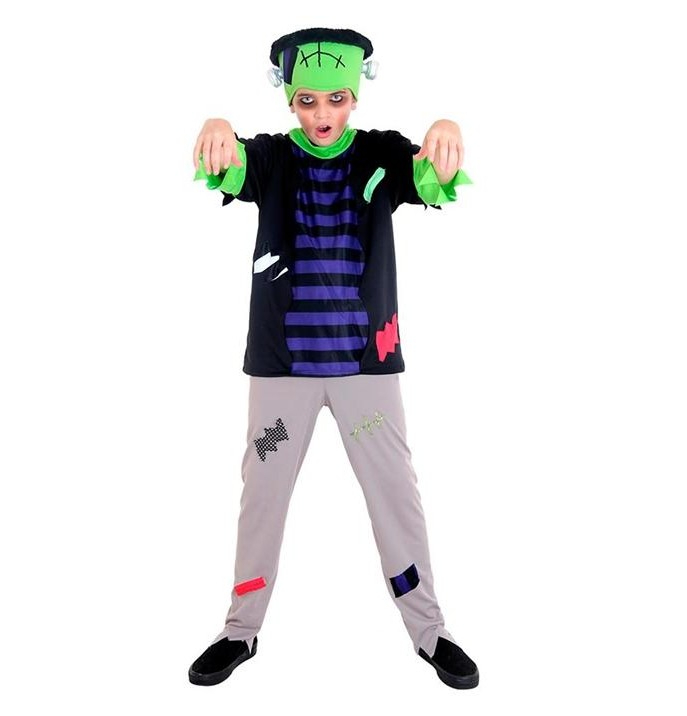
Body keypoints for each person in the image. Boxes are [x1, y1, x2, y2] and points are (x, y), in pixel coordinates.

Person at [188, 27, 478, 690]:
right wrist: (215, 126)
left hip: (364, 379)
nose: (322, 113)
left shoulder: (380, 154)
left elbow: (433, 178)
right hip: (282, 377)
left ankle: (429, 630)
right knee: (263, 493)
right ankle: (240, 630)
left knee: (394, 494)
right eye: (308, 100)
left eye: (337, 99)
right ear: (289, 98)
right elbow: (227, 163)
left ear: (355, 95)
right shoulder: (270, 158)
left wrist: (446, 129)